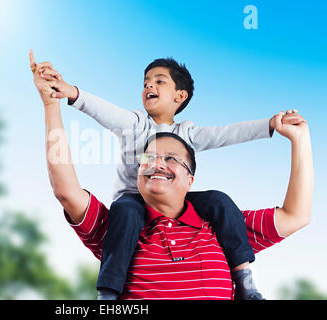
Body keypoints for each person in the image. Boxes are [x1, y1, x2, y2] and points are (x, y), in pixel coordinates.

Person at [30, 50, 307, 299]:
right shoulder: (135, 124)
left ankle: (245, 280)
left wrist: (270, 126)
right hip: (130, 203)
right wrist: (68, 93)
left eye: (159, 81)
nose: (149, 85)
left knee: (221, 200)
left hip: (185, 203)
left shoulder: (215, 219)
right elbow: (104, 112)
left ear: (180, 96)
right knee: (126, 211)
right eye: (145, 82)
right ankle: (108, 294)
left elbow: (228, 134)